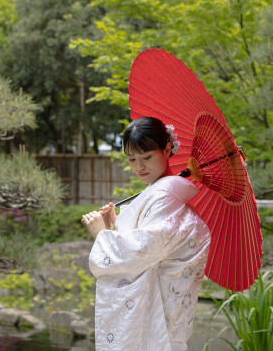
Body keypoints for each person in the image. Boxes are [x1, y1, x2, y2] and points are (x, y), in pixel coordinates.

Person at [82, 116, 211, 351]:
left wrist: (102, 235)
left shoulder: (165, 195)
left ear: (167, 149)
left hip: (159, 314)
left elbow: (142, 253)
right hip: (160, 313)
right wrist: (114, 225)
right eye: (131, 159)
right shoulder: (160, 191)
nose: (139, 167)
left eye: (146, 157)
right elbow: (149, 242)